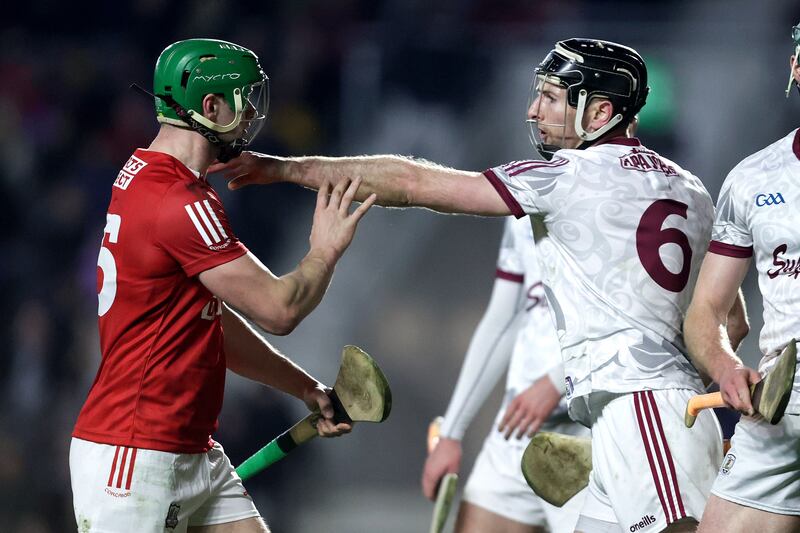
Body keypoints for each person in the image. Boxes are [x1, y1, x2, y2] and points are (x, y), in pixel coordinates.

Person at [212, 38, 748, 532]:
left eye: (554, 99)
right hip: (636, 414)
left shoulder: (566, 178)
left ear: (601, 112)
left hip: (642, 415)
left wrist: (286, 169)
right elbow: (733, 322)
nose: (535, 111)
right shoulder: (693, 190)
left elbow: (412, 182)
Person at [70, 38, 376, 533]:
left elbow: (206, 322)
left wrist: (303, 388)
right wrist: (324, 251)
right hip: (135, 458)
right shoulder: (179, 200)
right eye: (243, 98)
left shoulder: (144, 175)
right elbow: (280, 311)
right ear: (209, 107)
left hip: (190, 450)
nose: (252, 111)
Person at [684, 23, 800, 532]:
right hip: (785, 404)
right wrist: (727, 368)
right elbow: (707, 310)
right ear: (796, 68)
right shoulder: (754, 178)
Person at [422, 216, 588, 533]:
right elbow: (503, 318)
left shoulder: (625, 192)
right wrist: (451, 435)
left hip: (595, 437)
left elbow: (649, 319)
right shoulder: (525, 202)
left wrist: (558, 379)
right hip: (516, 431)